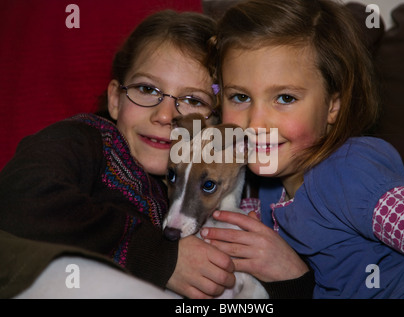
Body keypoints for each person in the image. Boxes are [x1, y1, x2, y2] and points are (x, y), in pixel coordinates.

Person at [0, 9, 313, 299]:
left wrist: (293, 279)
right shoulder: (86, 139)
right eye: (147, 89)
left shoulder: (231, 181)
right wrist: (159, 258)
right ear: (114, 99)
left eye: (192, 100)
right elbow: (21, 197)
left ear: (218, 122)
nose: (165, 116)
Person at [201, 0, 404, 298]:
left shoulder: (353, 173)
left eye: (285, 98)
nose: (255, 122)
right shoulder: (269, 187)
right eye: (240, 97)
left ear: (333, 105)